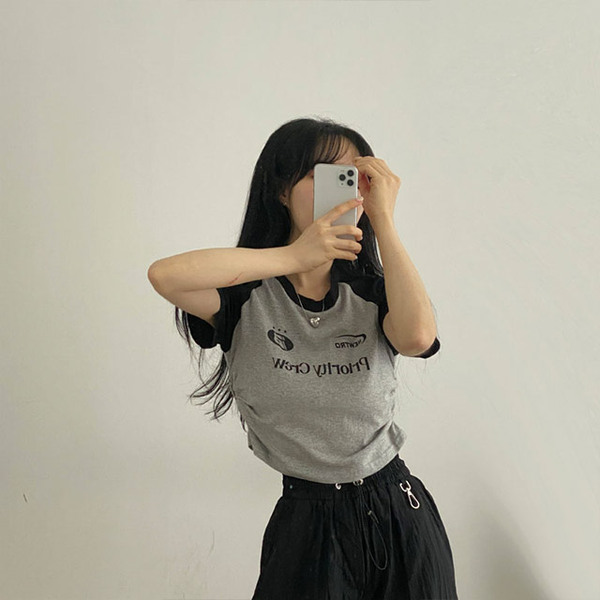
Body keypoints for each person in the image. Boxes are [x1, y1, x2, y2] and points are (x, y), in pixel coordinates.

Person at [147, 117, 458, 599]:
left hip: (400, 516)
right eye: (323, 174)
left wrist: (384, 220)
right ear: (281, 188)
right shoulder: (245, 295)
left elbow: (418, 337)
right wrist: (294, 256)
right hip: (306, 523)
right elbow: (164, 275)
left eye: (353, 177)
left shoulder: (372, 293)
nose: (343, 187)